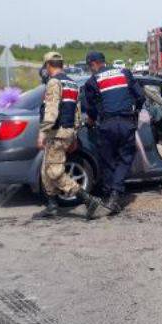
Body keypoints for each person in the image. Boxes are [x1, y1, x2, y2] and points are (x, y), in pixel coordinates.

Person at [34, 52, 104, 219]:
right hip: (67, 131)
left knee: (54, 172)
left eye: (45, 66)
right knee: (46, 169)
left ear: (48, 65)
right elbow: (77, 112)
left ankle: (88, 199)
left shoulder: (54, 82)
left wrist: (42, 133)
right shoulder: (72, 83)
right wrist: (74, 135)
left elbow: (51, 111)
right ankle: (51, 205)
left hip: (57, 133)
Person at [83, 51, 145, 215]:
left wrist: (90, 120)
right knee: (125, 159)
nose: (90, 70)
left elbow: (90, 109)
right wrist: (136, 111)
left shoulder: (92, 81)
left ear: (94, 64)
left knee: (108, 161)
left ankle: (109, 194)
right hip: (126, 122)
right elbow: (140, 96)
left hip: (107, 126)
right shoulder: (125, 73)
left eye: (90, 66)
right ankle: (115, 195)